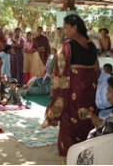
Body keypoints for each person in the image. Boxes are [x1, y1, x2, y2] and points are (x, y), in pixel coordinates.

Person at [42, 14, 98, 165]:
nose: (64, 31)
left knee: (69, 130)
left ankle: (70, 162)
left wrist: (57, 99)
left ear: (75, 28)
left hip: (73, 95)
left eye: (66, 28)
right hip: (88, 96)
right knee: (85, 125)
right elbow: (96, 70)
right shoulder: (92, 46)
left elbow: (59, 75)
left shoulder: (67, 45)